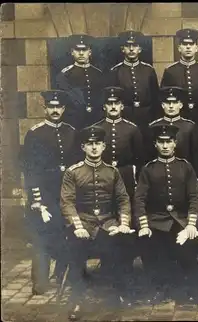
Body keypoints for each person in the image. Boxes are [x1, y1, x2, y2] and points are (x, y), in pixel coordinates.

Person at [60, 126, 135, 321]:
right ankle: (77, 300)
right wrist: (77, 226)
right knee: (76, 254)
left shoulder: (112, 172)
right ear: (83, 147)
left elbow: (123, 199)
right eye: (90, 144)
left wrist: (123, 223)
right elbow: (67, 202)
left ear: (104, 146)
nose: (94, 148)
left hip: (107, 223)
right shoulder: (72, 172)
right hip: (83, 223)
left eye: (98, 144)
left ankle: (114, 298)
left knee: (118, 248)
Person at [134, 124, 198, 304]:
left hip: (181, 221)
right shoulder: (148, 169)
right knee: (151, 249)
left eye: (169, 142)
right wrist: (143, 225)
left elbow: (195, 198)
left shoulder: (185, 167)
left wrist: (191, 224)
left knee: (188, 251)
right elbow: (139, 199)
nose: (165, 146)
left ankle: (190, 290)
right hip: (156, 221)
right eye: (161, 142)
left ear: (175, 143)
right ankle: (159, 289)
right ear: (155, 144)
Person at [21, 90, 77, 294]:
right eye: (51, 107)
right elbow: (29, 168)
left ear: (63, 109)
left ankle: (66, 274)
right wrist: (37, 199)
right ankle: (40, 280)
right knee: (42, 236)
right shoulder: (35, 133)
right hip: (44, 191)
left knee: (67, 233)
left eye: (58, 107)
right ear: (45, 108)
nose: (55, 110)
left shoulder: (71, 131)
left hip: (66, 191)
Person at [108, 31, 160, 161]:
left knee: (147, 149)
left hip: (146, 117)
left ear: (140, 49)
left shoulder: (149, 70)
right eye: (128, 46)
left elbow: (156, 97)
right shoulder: (115, 71)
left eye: (135, 46)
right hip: (126, 115)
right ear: (122, 49)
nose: (131, 49)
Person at [91, 86, 144, 201]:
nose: (113, 107)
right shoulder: (97, 129)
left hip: (126, 175)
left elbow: (139, 158)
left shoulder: (132, 129)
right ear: (105, 107)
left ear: (122, 106)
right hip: (102, 174)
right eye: (110, 104)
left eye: (116, 103)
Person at [160, 28, 198, 130]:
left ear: (196, 48)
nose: (188, 47)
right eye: (185, 44)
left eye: (191, 44)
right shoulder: (170, 71)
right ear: (179, 48)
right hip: (180, 116)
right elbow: (164, 96)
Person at [149, 86, 198, 178]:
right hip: (159, 175)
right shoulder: (153, 126)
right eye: (168, 103)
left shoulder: (190, 126)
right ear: (162, 105)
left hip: (185, 174)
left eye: (175, 102)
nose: (171, 106)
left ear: (180, 105)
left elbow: (195, 156)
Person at [56, 34, 105, 130]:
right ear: (72, 52)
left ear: (90, 52)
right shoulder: (65, 74)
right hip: (74, 120)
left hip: (96, 118)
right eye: (78, 50)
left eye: (84, 50)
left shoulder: (98, 73)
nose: (81, 53)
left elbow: (101, 96)